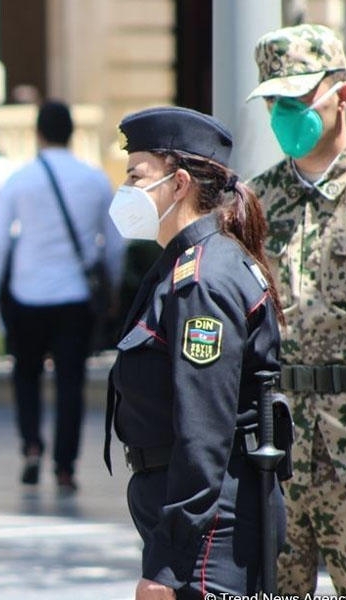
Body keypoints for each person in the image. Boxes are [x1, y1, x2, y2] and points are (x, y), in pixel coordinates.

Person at [104, 106, 286, 599]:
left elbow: (202, 433)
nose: (126, 189)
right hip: (200, 520)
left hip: (208, 538)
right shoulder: (185, 264)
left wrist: (168, 566)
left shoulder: (201, 279)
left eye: (136, 175)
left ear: (179, 183)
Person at [246, 23, 346, 595]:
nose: (287, 112)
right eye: (275, 101)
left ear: (343, 95)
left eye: (299, 97)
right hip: (275, 446)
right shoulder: (253, 202)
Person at [0, 100, 124, 492]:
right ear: (71, 133)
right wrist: (112, 285)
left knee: (25, 376)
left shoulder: (19, 180)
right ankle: (65, 465)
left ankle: (30, 448)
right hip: (74, 297)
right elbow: (114, 244)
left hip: (27, 295)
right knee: (70, 383)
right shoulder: (94, 179)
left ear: (38, 134)